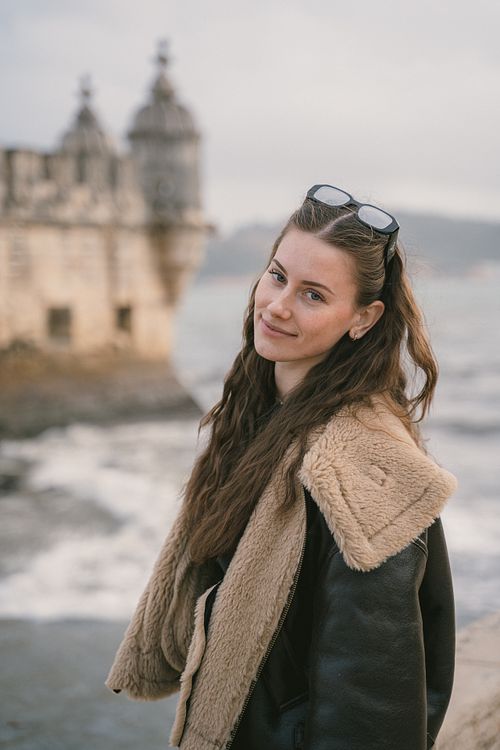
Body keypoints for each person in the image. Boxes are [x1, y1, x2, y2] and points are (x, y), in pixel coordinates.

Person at [105, 184, 457, 750]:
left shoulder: (363, 469)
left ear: (363, 318)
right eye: (277, 276)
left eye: (313, 295)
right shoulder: (256, 415)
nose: (277, 306)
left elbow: (371, 709)